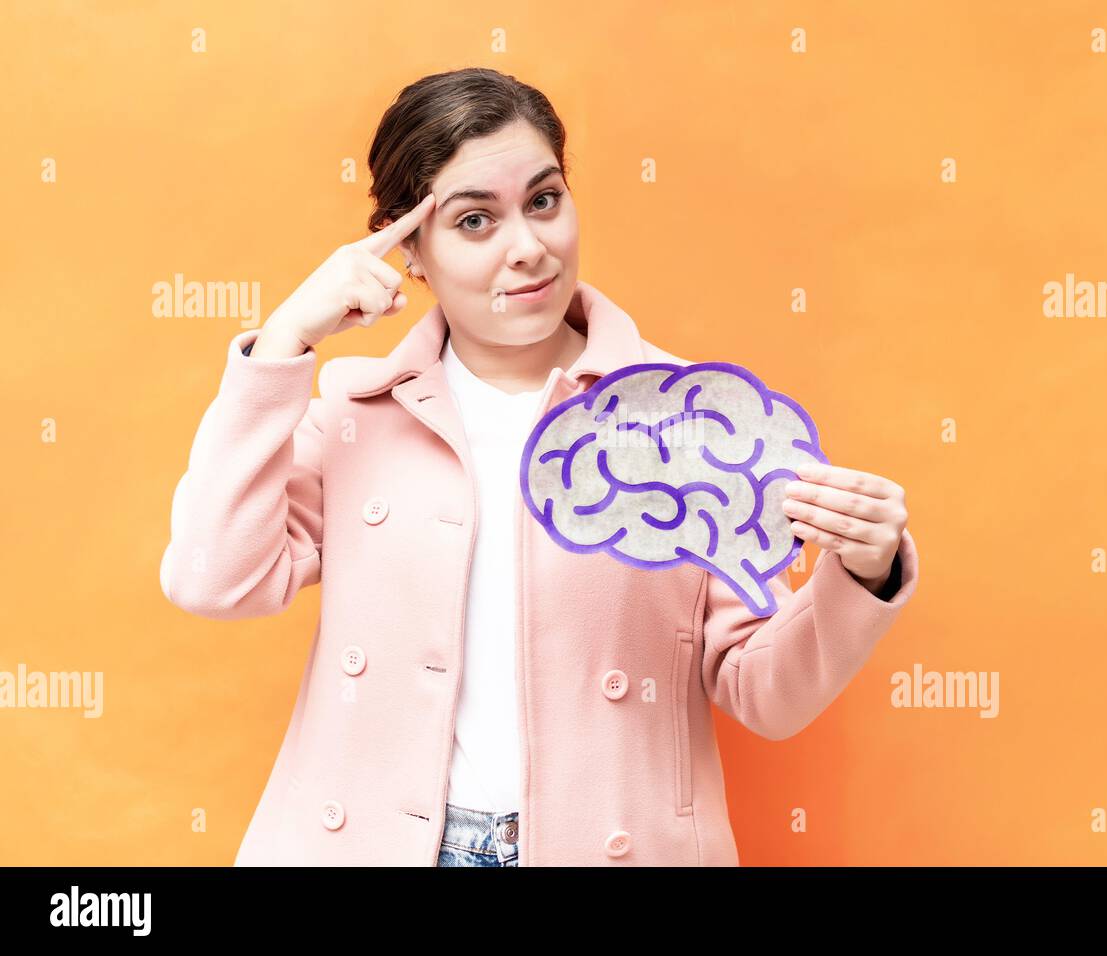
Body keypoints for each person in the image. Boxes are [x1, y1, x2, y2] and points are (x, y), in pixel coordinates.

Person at [161, 67, 919, 866]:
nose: (528, 248)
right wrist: (282, 345)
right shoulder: (355, 418)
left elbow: (766, 695)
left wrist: (860, 574)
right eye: (475, 220)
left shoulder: (690, 421)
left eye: (544, 200)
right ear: (408, 249)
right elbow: (214, 580)